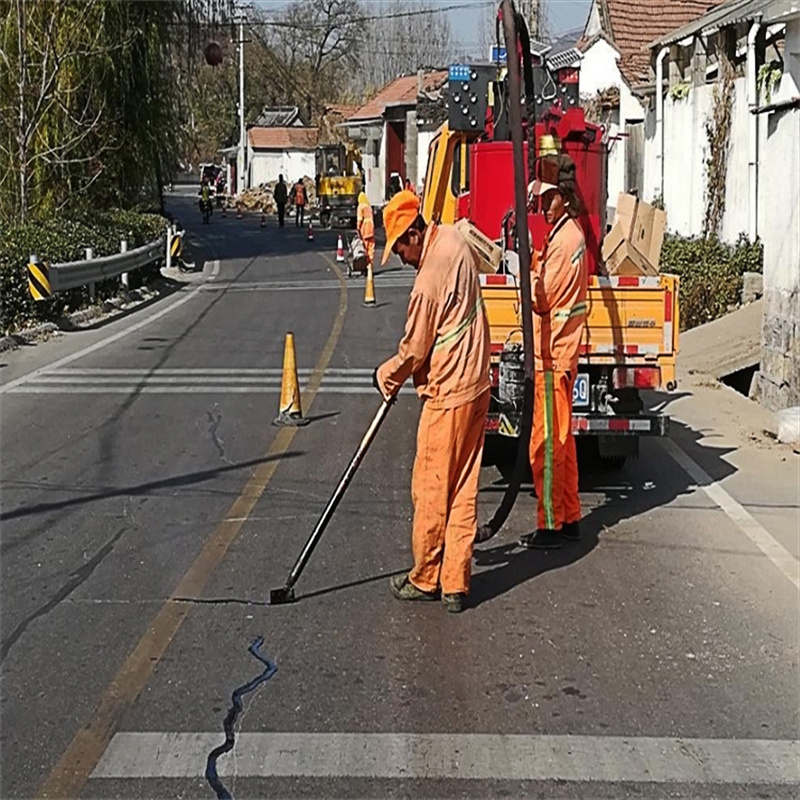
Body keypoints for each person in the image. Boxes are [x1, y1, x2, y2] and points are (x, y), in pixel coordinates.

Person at [374, 191, 491, 614]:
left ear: (414, 233)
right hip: (478, 382)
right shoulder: (456, 241)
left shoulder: (426, 282)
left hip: (449, 394)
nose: (401, 257)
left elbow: (414, 350)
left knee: (431, 487)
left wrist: (386, 376)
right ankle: (455, 584)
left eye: (400, 247)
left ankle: (425, 576)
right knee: (462, 488)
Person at [519, 173, 588, 550]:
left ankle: (550, 524)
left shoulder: (564, 242)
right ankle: (571, 516)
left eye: (548, 200)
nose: (543, 208)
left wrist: (523, 271)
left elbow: (542, 298)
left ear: (564, 197)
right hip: (562, 351)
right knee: (564, 442)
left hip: (552, 353)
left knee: (546, 443)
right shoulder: (569, 235)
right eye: (541, 202)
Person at [356, 192, 375, 269]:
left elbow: (360, 219)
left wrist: (358, 228)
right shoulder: (368, 206)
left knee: (365, 246)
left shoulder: (361, 207)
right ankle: (370, 264)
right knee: (371, 246)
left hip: (365, 227)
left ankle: (365, 264)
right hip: (371, 227)